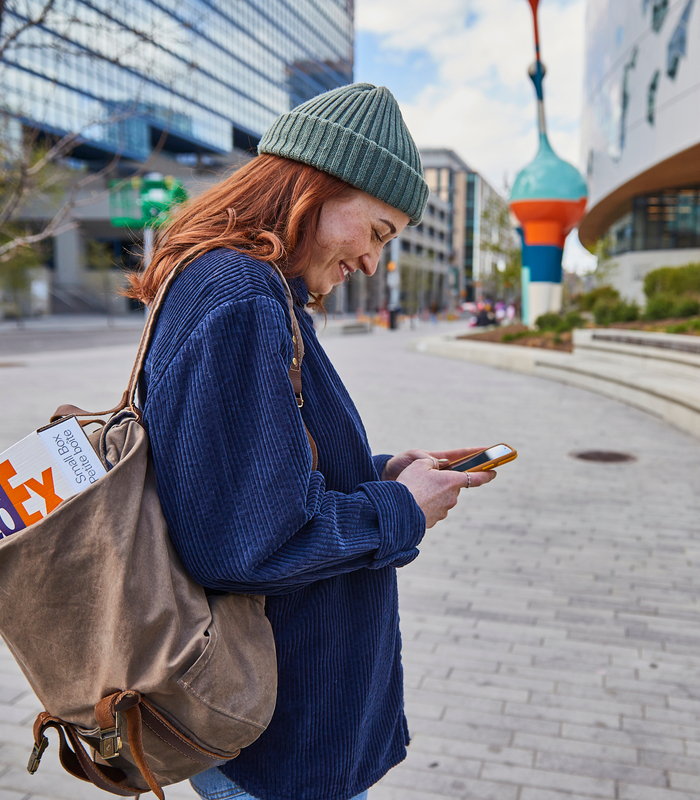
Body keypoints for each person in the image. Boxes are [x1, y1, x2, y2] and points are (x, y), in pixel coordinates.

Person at [126, 84, 497, 800]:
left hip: (280, 720)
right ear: (316, 185)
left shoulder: (246, 289)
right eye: (380, 231)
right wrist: (401, 509)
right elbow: (243, 540)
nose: (373, 263)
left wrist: (385, 470)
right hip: (281, 734)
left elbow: (249, 471)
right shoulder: (240, 296)